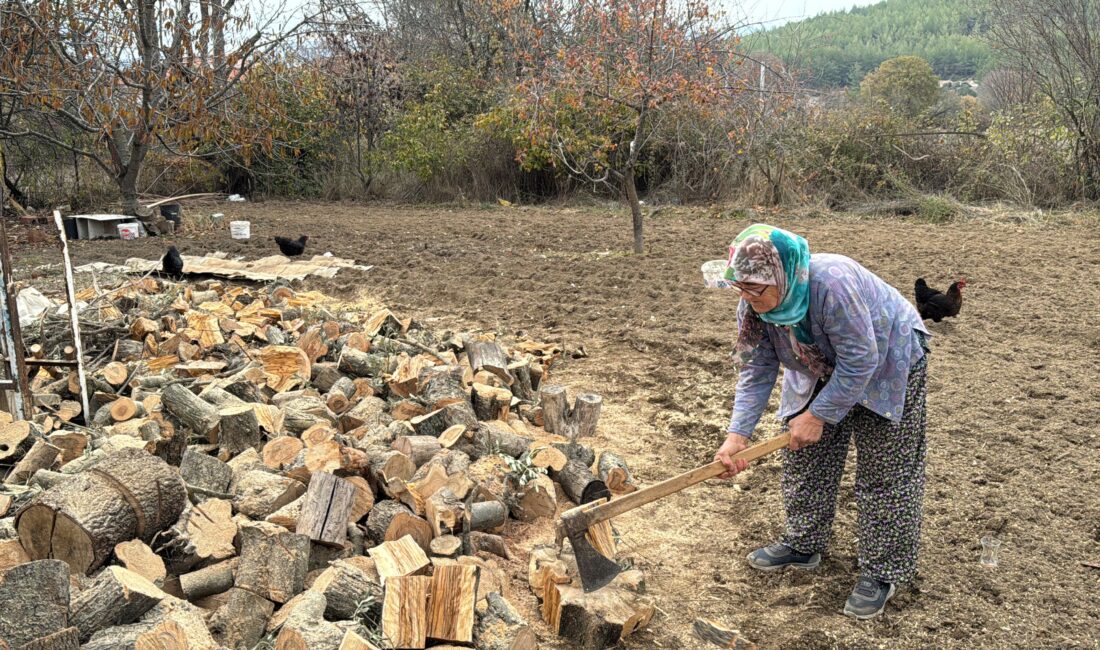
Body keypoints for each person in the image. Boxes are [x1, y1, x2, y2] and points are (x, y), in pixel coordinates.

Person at [712, 223, 931, 620]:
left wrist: (819, 415)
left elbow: (862, 360)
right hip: (816, 363)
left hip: (886, 359)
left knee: (886, 470)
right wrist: (737, 435)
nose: (745, 297)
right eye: (739, 287)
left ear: (783, 274)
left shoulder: (831, 285)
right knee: (805, 454)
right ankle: (804, 542)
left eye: (755, 289)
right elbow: (756, 368)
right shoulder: (753, 302)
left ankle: (883, 572)